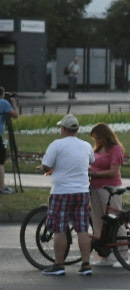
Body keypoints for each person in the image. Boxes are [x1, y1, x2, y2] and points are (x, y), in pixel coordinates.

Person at [40, 114, 95, 277]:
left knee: (60, 229)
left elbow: (46, 166)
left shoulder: (56, 145)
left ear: (63, 129)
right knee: (82, 229)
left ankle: (59, 265)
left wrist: (49, 169)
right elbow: (91, 161)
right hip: (82, 192)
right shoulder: (86, 145)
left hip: (62, 192)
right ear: (76, 130)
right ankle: (86, 265)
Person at [87, 122, 126, 261]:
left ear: (105, 136)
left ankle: (123, 256)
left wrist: (95, 174)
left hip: (110, 188)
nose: (97, 141)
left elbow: (114, 172)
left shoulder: (115, 149)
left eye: (98, 138)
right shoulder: (97, 149)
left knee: (115, 221)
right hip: (95, 188)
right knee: (98, 222)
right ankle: (103, 255)